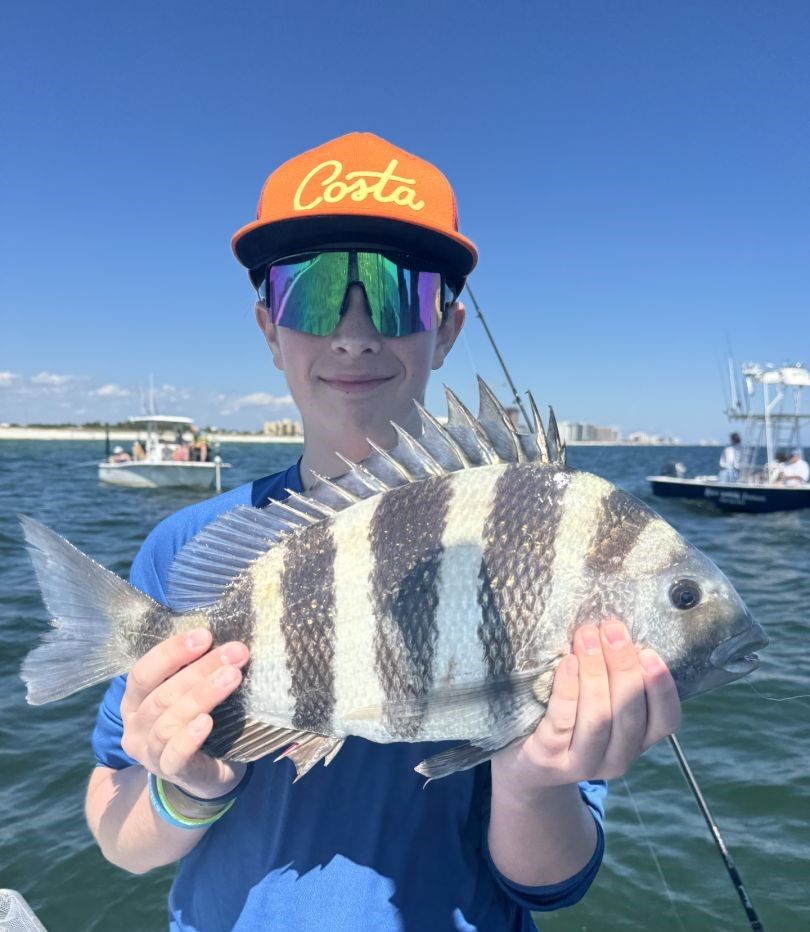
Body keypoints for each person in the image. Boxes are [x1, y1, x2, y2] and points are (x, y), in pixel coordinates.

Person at [85, 132, 681, 931]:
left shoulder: (539, 537)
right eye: (316, 290)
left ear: (447, 326)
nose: (356, 332)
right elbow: (119, 834)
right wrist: (185, 784)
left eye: (398, 293)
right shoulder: (187, 549)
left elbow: (548, 882)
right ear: (269, 325)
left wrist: (534, 777)